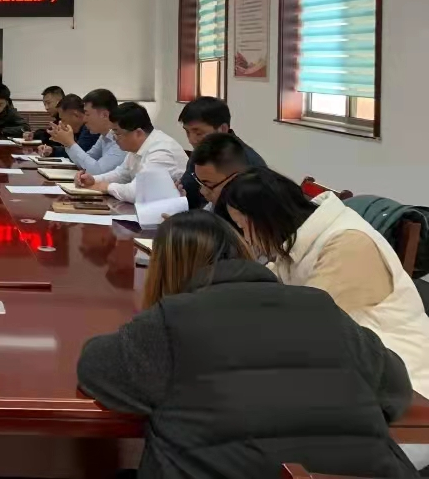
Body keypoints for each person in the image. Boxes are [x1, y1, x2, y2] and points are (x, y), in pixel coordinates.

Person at [77, 211, 417, 479]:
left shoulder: (173, 319)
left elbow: (95, 368)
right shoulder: (321, 306)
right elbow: (396, 389)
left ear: (165, 269)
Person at [224, 168, 429, 399]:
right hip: (354, 361)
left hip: (405, 377)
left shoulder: (347, 245)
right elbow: (270, 283)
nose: (247, 238)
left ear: (267, 219)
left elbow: (309, 323)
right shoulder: (298, 237)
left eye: (243, 226)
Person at [77, 102, 187, 202]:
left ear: (138, 133)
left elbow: (138, 193)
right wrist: (93, 180)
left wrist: (106, 187)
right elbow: (121, 174)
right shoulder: (137, 147)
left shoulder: (161, 151)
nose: (114, 138)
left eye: (117, 133)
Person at [178, 97, 265, 209]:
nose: (191, 140)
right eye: (187, 132)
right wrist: (179, 196)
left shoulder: (249, 164)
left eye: (198, 133)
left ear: (222, 129)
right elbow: (188, 191)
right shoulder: (201, 151)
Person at [48, 88, 127, 174]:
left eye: (87, 114)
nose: (84, 119)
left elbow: (97, 171)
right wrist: (67, 143)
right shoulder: (104, 136)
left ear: (104, 115)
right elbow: (84, 161)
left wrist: (70, 143)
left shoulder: (121, 138)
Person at [189, 132, 255, 222]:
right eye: (200, 182)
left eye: (208, 184)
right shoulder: (217, 204)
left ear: (236, 178)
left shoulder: (255, 219)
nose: (203, 191)